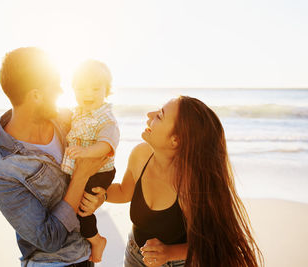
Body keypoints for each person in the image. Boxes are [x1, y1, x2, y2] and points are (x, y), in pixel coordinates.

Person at [106, 96, 263, 267]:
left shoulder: (189, 185)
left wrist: (168, 253)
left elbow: (210, 243)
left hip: (177, 263)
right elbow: (123, 191)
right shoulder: (140, 155)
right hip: (134, 254)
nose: (149, 115)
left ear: (175, 140)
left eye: (160, 116)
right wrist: (98, 192)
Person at [0, 47, 106, 267]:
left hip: (85, 258)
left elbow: (100, 160)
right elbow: (49, 239)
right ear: (36, 95)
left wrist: (99, 197)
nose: (62, 91)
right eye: (56, 86)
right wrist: (80, 177)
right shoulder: (1, 168)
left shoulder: (67, 121)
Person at [60, 60, 120, 263]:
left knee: (82, 209)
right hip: (84, 166)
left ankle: (96, 240)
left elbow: (105, 146)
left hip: (100, 170)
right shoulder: (78, 112)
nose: (88, 93)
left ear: (107, 91)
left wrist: (85, 152)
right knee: (72, 202)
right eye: (81, 88)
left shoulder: (106, 119)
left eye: (95, 88)